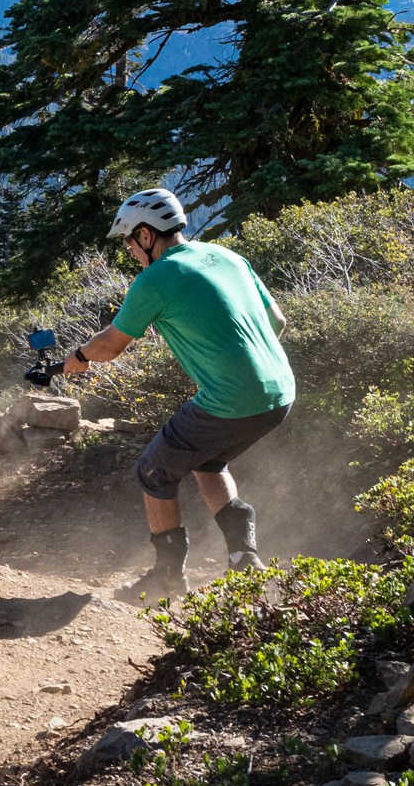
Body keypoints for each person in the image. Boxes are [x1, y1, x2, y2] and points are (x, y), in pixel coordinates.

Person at [61, 188, 295, 604]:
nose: (130, 250)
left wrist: (78, 356)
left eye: (130, 241)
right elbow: (277, 320)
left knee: (154, 470)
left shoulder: (155, 280)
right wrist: (235, 366)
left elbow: (111, 346)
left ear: (147, 235)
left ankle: (167, 579)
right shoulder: (227, 256)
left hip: (233, 400)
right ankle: (245, 561)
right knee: (208, 459)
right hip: (280, 392)